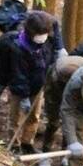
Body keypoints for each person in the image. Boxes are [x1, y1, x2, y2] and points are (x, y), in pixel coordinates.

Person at [4, 10, 59, 153]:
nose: (42, 37)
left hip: (38, 85)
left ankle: (27, 142)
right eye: (39, 34)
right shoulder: (18, 47)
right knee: (16, 117)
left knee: (34, 116)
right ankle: (14, 145)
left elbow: (52, 51)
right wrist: (23, 96)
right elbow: (18, 74)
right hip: (19, 87)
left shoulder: (47, 39)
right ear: (30, 32)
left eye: (45, 34)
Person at [39, 54, 83, 163]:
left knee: (70, 123)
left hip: (77, 93)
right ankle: (45, 153)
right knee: (53, 123)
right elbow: (50, 96)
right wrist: (53, 111)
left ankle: (65, 155)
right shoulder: (55, 76)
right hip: (56, 93)